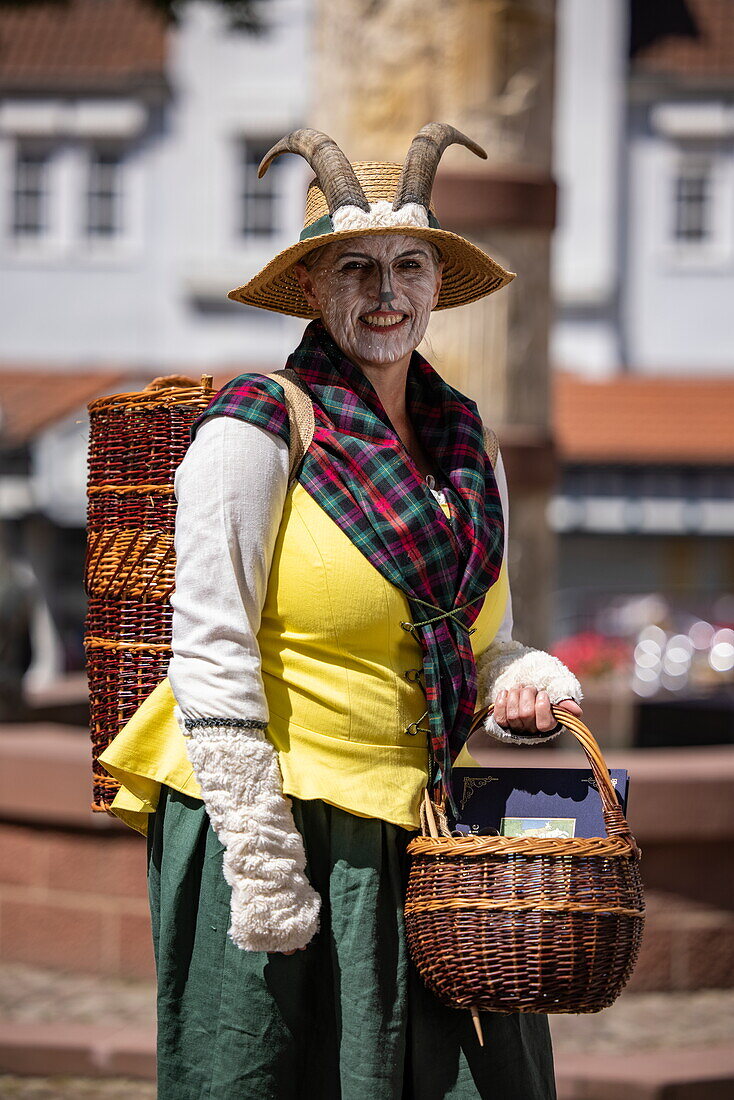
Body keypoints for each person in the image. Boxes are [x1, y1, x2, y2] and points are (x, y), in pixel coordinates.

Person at [100, 124, 583, 1099]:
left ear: (438, 287)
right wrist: (262, 852)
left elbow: (483, 642)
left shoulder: (463, 443)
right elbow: (209, 646)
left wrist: (520, 680)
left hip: (422, 822)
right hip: (271, 816)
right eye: (354, 270)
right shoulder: (256, 425)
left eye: (409, 266)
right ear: (313, 291)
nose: (386, 294)